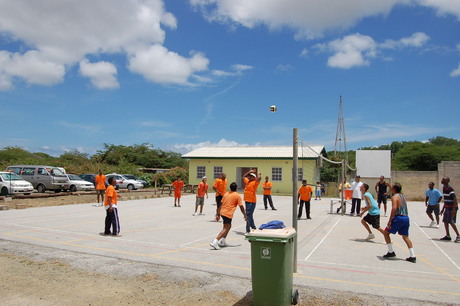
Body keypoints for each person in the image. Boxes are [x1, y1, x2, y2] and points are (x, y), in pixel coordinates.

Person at [381, 183, 416, 263]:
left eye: (392, 188)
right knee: (405, 237)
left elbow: (394, 209)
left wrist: (390, 221)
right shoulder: (403, 196)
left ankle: (391, 251)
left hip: (398, 217)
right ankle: (412, 256)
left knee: (386, 233)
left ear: (394, 189)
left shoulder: (395, 197)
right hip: (406, 218)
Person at [210, 182, 247, 250]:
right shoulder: (237, 195)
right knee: (226, 228)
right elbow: (241, 207)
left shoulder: (226, 194)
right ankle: (215, 241)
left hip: (222, 212)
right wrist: (245, 215)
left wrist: (218, 214)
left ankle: (223, 241)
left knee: (228, 226)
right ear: (236, 188)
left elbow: (220, 205)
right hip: (228, 213)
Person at [440, 177, 460, 242]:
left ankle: (458, 236)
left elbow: (454, 198)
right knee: (445, 221)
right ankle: (448, 236)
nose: (442, 180)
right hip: (447, 207)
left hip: (452, 208)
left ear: (446, 181)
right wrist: (443, 209)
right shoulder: (444, 188)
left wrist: (454, 209)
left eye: (443, 180)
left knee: (451, 222)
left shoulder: (450, 188)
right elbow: (446, 200)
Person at [243, 169, 261, 234]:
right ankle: (253, 228)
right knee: (250, 215)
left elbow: (259, 178)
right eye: (249, 176)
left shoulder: (255, 182)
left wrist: (257, 173)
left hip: (252, 201)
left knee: (248, 215)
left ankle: (248, 230)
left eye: (251, 176)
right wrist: (249, 172)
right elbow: (244, 177)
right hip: (247, 201)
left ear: (254, 178)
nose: (249, 177)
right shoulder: (247, 181)